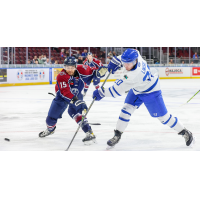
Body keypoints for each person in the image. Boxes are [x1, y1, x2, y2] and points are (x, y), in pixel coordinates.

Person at [92, 49, 194, 149]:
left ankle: (185, 132)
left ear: (135, 61)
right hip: (137, 88)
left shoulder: (134, 75)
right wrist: (117, 60)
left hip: (151, 91)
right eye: (124, 63)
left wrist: (101, 93)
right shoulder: (137, 55)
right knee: (126, 109)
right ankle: (117, 135)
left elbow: (117, 90)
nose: (125, 66)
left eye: (128, 63)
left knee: (163, 118)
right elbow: (131, 53)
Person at [39, 57, 107, 145]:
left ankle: (89, 132)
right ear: (64, 67)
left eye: (72, 67)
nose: (70, 70)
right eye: (67, 67)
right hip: (61, 96)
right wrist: (75, 101)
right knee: (50, 118)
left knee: (76, 112)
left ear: (75, 66)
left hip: (77, 94)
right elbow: (65, 92)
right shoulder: (61, 76)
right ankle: (50, 129)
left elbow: (95, 71)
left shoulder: (83, 69)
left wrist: (99, 73)